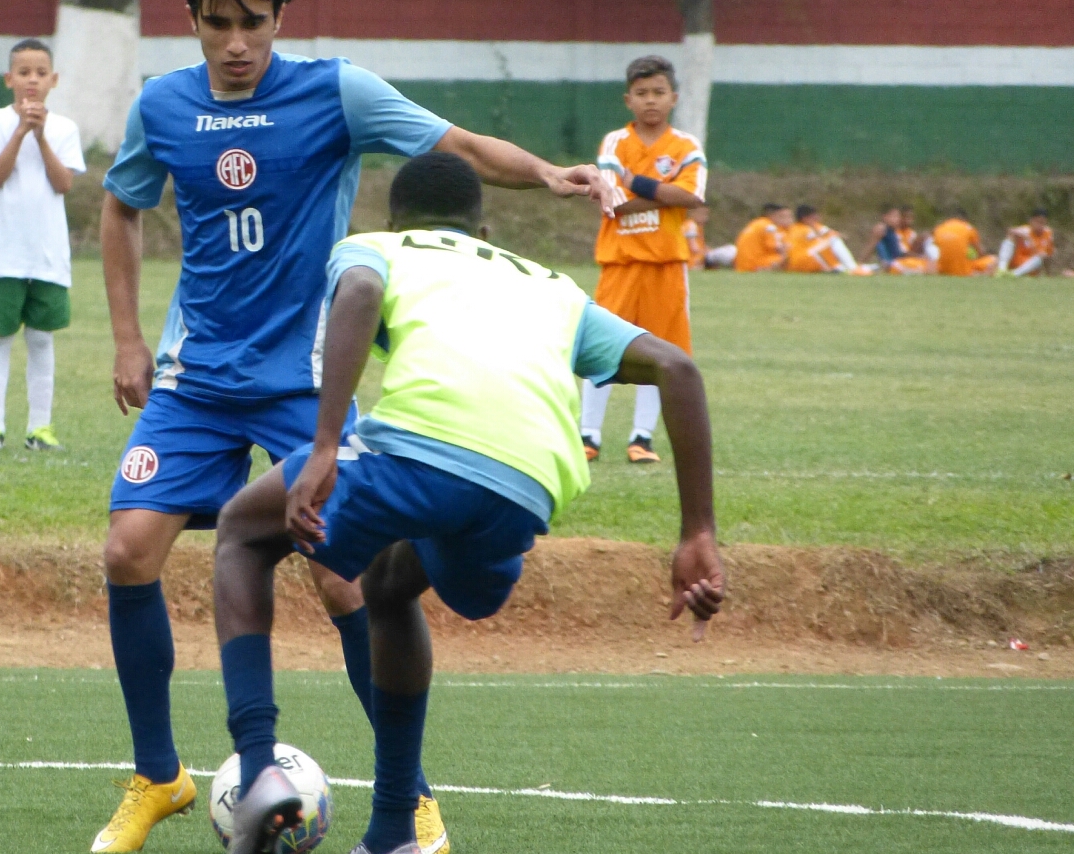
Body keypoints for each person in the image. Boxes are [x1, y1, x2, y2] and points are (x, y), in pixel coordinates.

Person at [92, 0, 613, 849]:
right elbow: (120, 205)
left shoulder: (337, 92)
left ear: (279, 18)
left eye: (254, 23)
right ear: (194, 21)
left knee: (347, 578)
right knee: (129, 551)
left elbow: (456, 146)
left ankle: (409, 795)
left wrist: (547, 174)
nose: (237, 43)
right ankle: (158, 776)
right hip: (196, 378)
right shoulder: (162, 105)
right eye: (219, 24)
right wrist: (130, 337)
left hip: (303, 384)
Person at [211, 152, 725, 854]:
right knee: (389, 584)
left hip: (421, 454)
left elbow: (359, 291)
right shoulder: (553, 287)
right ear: (482, 229)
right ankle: (394, 834)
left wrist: (326, 445)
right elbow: (679, 368)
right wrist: (697, 533)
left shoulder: (375, 247)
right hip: (524, 489)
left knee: (243, 531)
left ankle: (259, 769)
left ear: (397, 220)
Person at [581, 55, 706, 465]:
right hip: (620, 262)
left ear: (674, 98)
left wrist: (637, 182)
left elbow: (692, 196)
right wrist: (664, 193)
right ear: (628, 99)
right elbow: (611, 200)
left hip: (666, 264)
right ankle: (588, 435)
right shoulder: (615, 142)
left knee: (663, 351)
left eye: (658, 92)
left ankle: (642, 438)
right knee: (600, 345)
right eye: (641, 93)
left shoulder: (686, 146)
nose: (650, 100)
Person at [0, 39, 85, 451]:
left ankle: (40, 427)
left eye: (40, 73)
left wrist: (41, 136)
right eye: (23, 73)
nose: (32, 80)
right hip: (2, 251)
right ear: (8, 79)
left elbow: (63, 183)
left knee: (41, 339)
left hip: (48, 254)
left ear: (54, 80)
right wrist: (21, 131)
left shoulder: (65, 128)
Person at [785, 205, 862, 273]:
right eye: (813, 217)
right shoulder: (799, 228)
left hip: (806, 259)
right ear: (804, 218)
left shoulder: (813, 226)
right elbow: (824, 236)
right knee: (832, 240)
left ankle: (840, 268)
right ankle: (852, 268)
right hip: (800, 261)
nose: (817, 218)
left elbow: (836, 234)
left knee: (830, 241)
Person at [931, 209, 996, 277]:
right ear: (964, 219)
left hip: (941, 269)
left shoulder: (939, 228)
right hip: (963, 270)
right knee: (993, 259)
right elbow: (980, 251)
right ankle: (981, 275)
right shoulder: (968, 227)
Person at [732, 203, 791, 272]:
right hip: (754, 264)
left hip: (741, 265)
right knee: (787, 257)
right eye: (780, 216)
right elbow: (776, 247)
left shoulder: (755, 223)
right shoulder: (769, 226)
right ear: (772, 215)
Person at [997, 209, 1055, 277]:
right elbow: (1010, 231)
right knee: (1009, 239)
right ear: (1031, 221)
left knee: (1042, 256)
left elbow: (1048, 255)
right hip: (1017, 261)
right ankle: (1002, 269)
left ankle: (1014, 274)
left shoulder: (1048, 233)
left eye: (1042, 223)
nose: (1039, 225)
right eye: (1037, 222)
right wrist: (1024, 237)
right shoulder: (1025, 230)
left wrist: (1049, 273)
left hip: (1031, 265)